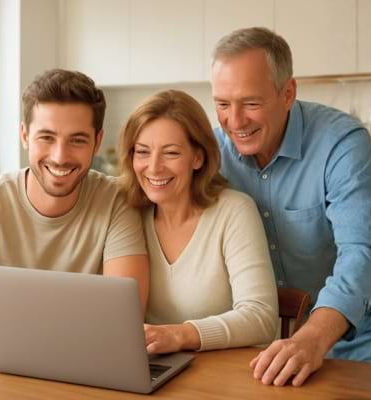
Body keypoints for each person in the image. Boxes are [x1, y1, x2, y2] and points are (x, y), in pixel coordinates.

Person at [210, 27, 371, 386]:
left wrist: (311, 338)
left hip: (364, 348)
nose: (235, 122)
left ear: (288, 93)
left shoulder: (341, 143)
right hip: (269, 350)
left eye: (251, 103)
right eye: (223, 104)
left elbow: (364, 253)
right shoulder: (213, 151)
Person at [0, 69, 149, 345]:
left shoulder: (116, 203)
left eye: (77, 140)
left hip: (80, 366)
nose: (60, 156)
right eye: (46, 137)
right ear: (25, 135)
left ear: (97, 142)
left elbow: (123, 317)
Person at [118, 89, 278, 354]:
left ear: (198, 157)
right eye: (142, 152)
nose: (154, 167)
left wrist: (180, 335)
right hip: (151, 372)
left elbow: (260, 317)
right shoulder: (127, 214)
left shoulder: (234, 211)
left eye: (170, 153)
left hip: (225, 379)